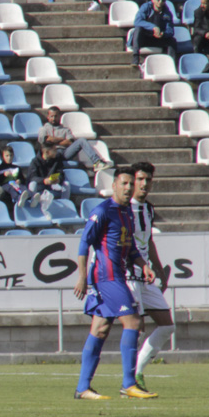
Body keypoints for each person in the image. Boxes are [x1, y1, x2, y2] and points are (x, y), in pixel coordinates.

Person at [73, 167, 157, 400]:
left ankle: (82, 388)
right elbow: (83, 244)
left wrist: (144, 265)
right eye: (124, 183)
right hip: (105, 278)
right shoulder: (103, 211)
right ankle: (129, 384)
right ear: (114, 185)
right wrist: (81, 277)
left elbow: (129, 249)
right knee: (133, 321)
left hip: (118, 276)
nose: (129, 188)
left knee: (100, 329)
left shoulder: (127, 213)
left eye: (131, 184)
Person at [127, 162, 176, 392]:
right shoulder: (123, 208)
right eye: (140, 179)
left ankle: (136, 372)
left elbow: (149, 242)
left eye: (148, 179)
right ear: (132, 181)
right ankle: (130, 381)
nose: (145, 184)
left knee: (167, 326)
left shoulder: (148, 209)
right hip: (128, 275)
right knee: (136, 328)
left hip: (145, 276)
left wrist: (157, 269)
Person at [38, 106, 113, 171]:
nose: (54, 118)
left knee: (82, 140)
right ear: (48, 117)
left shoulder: (66, 129)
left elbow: (70, 143)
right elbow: (46, 141)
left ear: (60, 116)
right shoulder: (43, 129)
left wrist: (54, 140)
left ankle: (97, 162)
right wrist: (62, 139)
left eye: (56, 116)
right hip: (51, 153)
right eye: (51, 116)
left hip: (65, 153)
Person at [132, 0, 177, 67]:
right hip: (144, 38)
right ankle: (135, 58)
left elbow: (170, 30)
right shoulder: (146, 7)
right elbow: (137, 21)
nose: (160, 2)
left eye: (163, 0)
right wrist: (153, 27)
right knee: (138, 30)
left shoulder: (167, 13)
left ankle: (172, 65)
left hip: (157, 39)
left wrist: (163, 34)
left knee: (172, 41)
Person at [26, 142, 70, 214]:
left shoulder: (57, 159)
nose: (57, 151)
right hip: (40, 186)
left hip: (52, 184)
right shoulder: (35, 161)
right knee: (32, 184)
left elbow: (61, 173)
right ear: (47, 152)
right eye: (54, 150)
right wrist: (44, 181)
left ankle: (65, 206)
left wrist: (58, 179)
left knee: (66, 184)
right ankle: (32, 204)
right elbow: (32, 177)